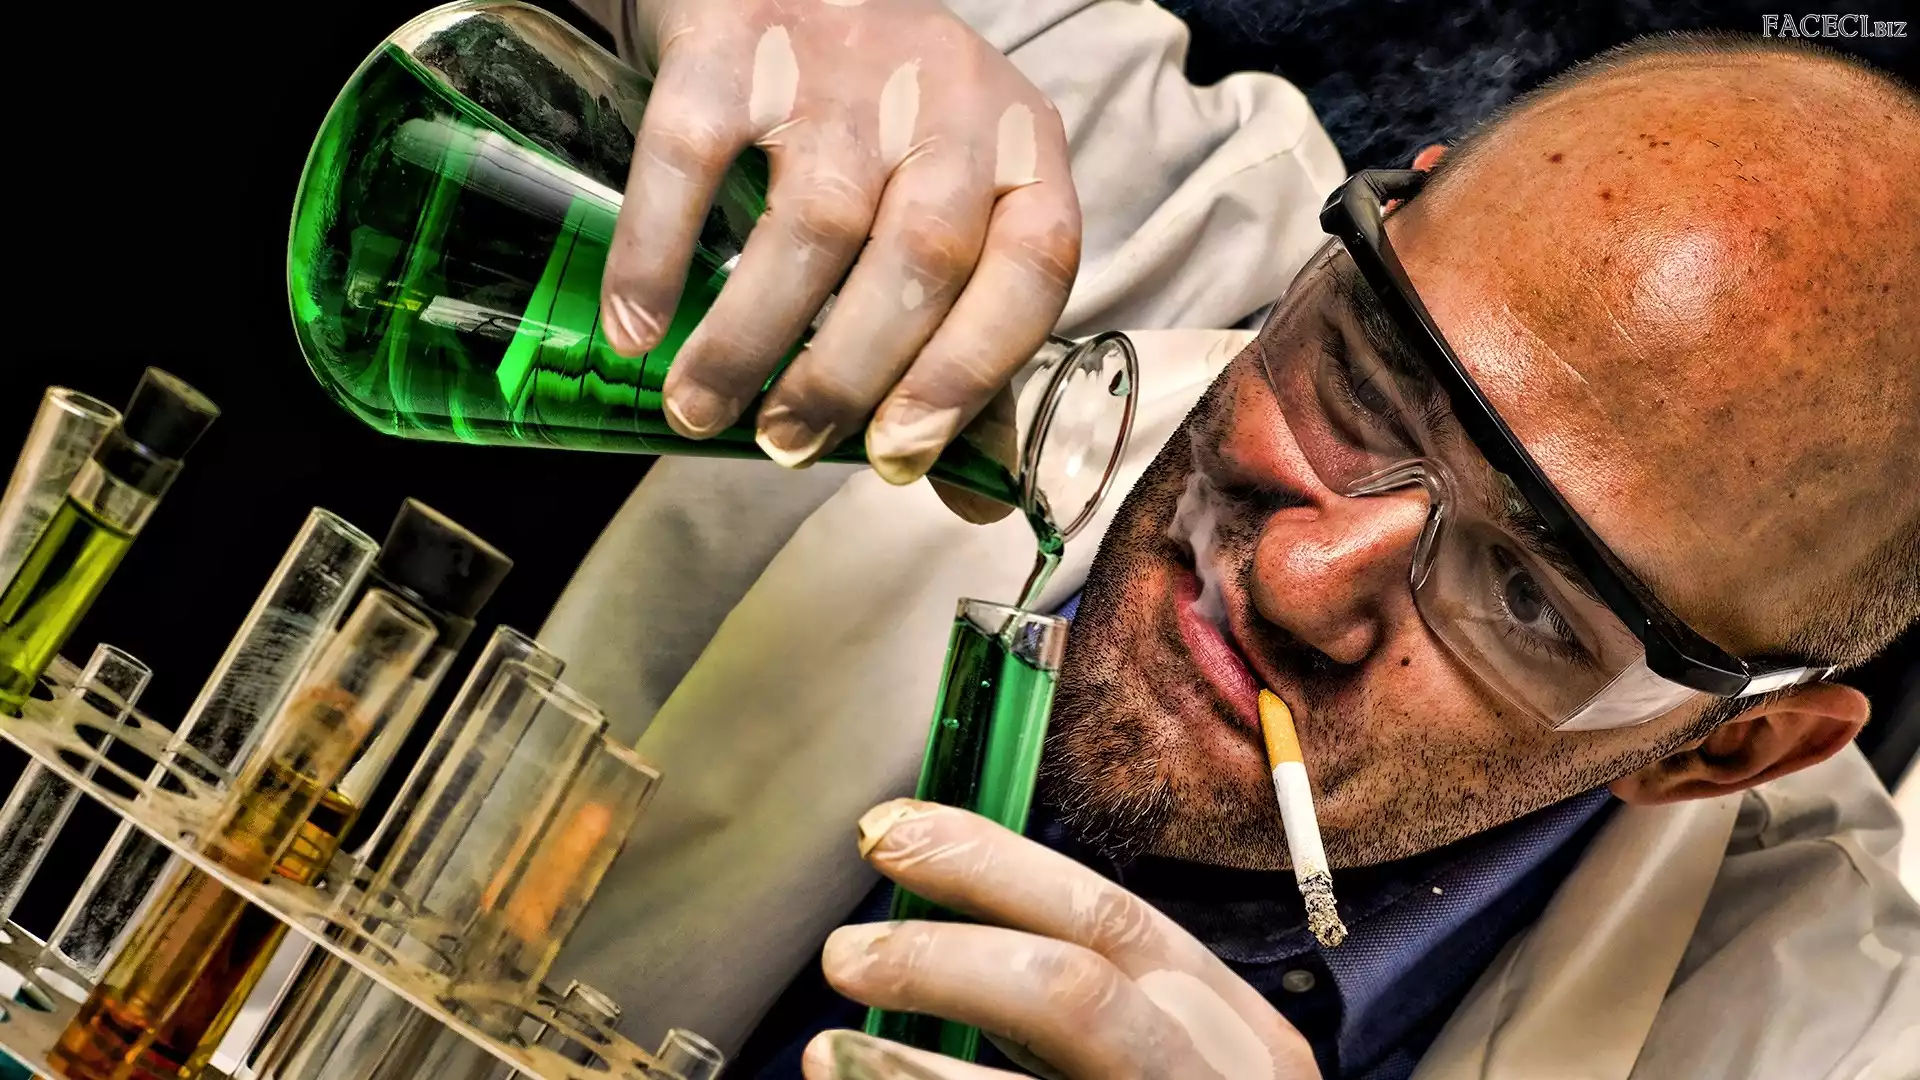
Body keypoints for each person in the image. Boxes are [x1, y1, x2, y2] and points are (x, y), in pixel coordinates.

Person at [544, 1, 1920, 1077]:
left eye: (1529, 597)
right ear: (1392, 213)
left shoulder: (1846, 1043)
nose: (1300, 580)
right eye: (1370, 382)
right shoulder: (1089, 178)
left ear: (1723, 749)